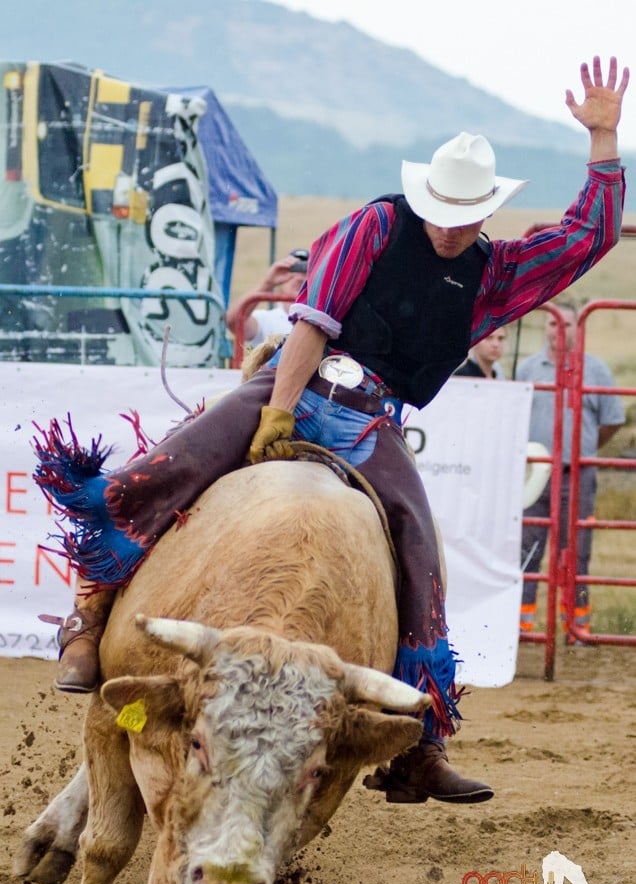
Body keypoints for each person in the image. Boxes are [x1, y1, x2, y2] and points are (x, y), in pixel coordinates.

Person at [34, 56, 628, 805]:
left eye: (464, 211)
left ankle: (418, 744)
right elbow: (316, 318)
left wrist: (604, 141)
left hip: (371, 419)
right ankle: (85, 622)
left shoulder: (494, 272)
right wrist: (277, 411)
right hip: (297, 380)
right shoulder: (379, 223)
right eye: (440, 206)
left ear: (485, 212)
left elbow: (585, 238)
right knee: (159, 474)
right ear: (425, 197)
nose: (448, 224)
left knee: (419, 556)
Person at [516, 299, 625, 640]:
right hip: (534, 474)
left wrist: (582, 449)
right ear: (545, 327)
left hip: (577, 476)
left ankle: (576, 628)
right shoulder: (527, 370)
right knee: (527, 549)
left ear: (579, 328)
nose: (559, 330)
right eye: (553, 323)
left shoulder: (597, 371)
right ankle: (521, 629)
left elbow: (610, 422)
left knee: (577, 553)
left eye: (567, 324)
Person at [225, 249, 309, 347]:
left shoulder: (319, 319)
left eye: (305, 272)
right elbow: (234, 323)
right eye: (293, 270)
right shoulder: (267, 319)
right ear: (281, 281)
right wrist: (268, 283)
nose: (299, 278)